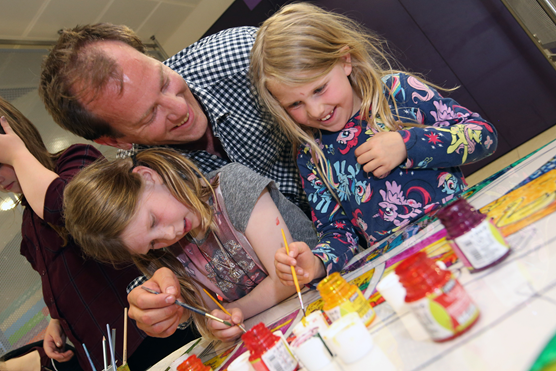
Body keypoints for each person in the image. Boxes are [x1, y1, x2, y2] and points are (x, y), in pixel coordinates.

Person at [38, 22, 309, 337]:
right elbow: (150, 249)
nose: (180, 108)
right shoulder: (149, 180)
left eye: (164, 81)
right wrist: (154, 297)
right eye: (149, 115)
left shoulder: (247, 56)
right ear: (117, 142)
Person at [250, 3, 499, 285]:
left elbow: (483, 136)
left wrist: (408, 144)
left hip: (467, 239)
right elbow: (337, 231)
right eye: (296, 103)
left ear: (345, 61)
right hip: (404, 273)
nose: (316, 111)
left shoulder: (397, 92)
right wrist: (318, 263)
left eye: (319, 88)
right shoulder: (310, 153)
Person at [0, 98, 197, 371]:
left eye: (0, 163)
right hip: (105, 357)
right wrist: (56, 323)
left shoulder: (75, 160)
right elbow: (60, 282)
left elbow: (62, 207)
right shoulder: (28, 226)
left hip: (150, 332)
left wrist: (16, 155)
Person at [63, 148, 318, 341]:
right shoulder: (164, 254)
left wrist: (234, 310)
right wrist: (204, 318)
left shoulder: (231, 185)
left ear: (147, 176)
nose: (170, 234)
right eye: (152, 243)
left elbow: (290, 278)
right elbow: (206, 313)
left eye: (153, 220)